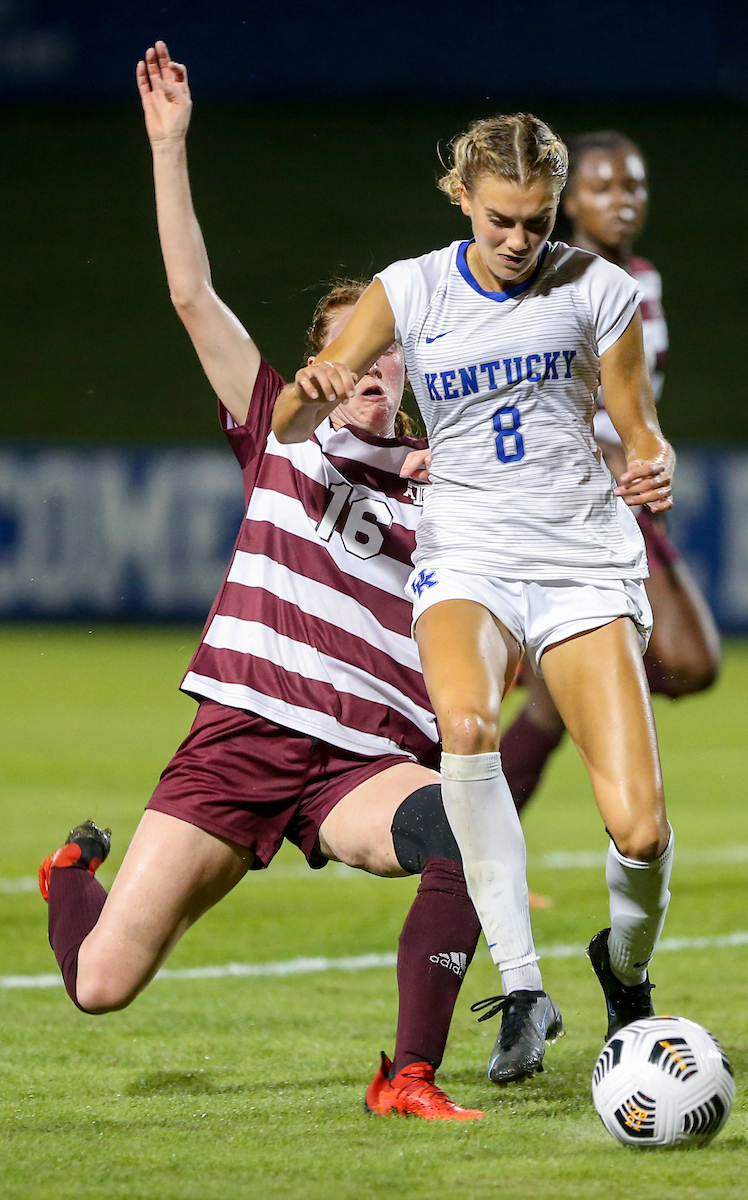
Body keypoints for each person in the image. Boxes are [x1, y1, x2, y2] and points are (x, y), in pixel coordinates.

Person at [38, 41, 486, 1124]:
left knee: (466, 822)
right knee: (100, 986)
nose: (378, 368)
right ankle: (65, 881)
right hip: (240, 742)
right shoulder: (280, 435)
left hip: (360, 763)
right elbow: (192, 296)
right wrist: (168, 144)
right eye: (357, 353)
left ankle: (406, 1077)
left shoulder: (451, 489)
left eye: (392, 356)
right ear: (322, 361)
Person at [273, 113, 676, 1078]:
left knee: (641, 828)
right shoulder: (408, 289)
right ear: (462, 199)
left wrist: (654, 462)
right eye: (501, 219)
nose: (518, 241)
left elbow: (638, 423)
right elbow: (287, 422)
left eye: (536, 222)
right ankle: (524, 989)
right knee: (463, 725)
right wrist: (315, 385)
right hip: (469, 558)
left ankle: (623, 971)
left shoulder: (597, 288)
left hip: (581, 564)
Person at [500, 130, 721, 813]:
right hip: (577, 497)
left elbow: (634, 395)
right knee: (685, 659)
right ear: (570, 203)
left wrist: (646, 448)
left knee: (557, 701)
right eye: (602, 188)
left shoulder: (643, 278)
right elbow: (525, 398)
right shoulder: (553, 283)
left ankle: (465, 852)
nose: (620, 201)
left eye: (632, 186)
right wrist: (607, 451)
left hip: (628, 500)